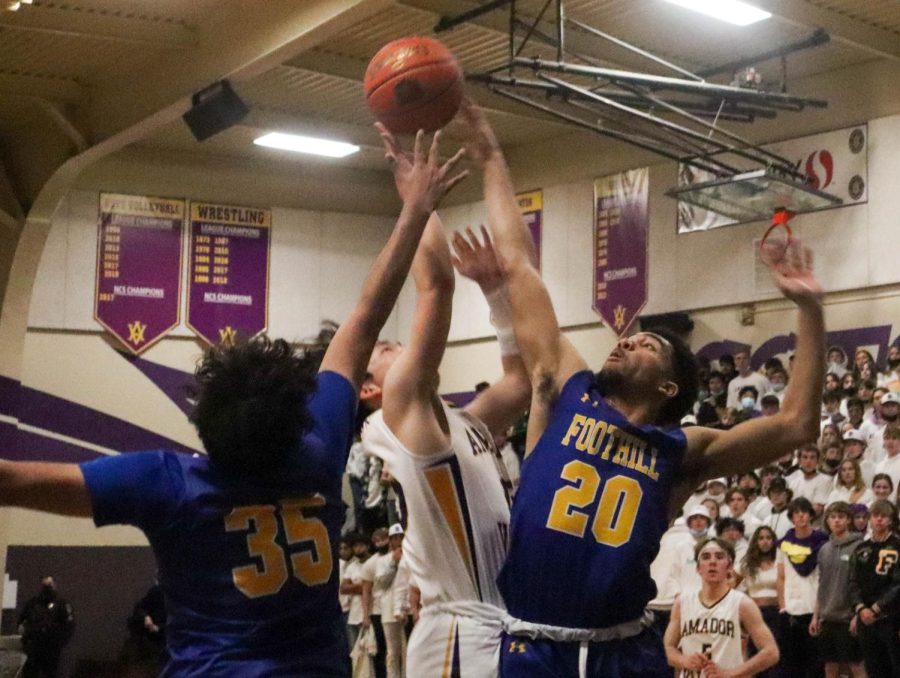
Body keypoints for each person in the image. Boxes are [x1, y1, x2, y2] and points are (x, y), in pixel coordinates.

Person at [0, 128, 467, 677]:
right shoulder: (317, 455)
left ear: (206, 419)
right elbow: (365, 318)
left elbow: (10, 480)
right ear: (297, 416)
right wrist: (415, 208)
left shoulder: (168, 485)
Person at [461, 99, 825, 676]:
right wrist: (491, 157)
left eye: (647, 344)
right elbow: (518, 266)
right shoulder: (564, 390)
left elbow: (798, 423)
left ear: (669, 386)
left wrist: (809, 309)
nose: (628, 340)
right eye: (631, 336)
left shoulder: (682, 451)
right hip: (533, 646)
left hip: (623, 650)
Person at [362, 125, 530, 676]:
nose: (395, 347)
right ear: (369, 390)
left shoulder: (459, 424)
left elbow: (520, 380)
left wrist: (497, 295)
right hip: (459, 632)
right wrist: (416, 201)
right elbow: (435, 283)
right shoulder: (403, 412)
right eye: (383, 350)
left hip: (494, 621)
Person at [664, 538, 778, 678]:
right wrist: (684, 660)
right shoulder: (682, 602)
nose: (712, 561)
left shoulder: (742, 603)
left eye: (719, 557)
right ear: (698, 568)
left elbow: (771, 652)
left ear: (729, 567)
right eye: (706, 557)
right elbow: (668, 648)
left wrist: (731, 674)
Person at [809, 502, 865, 678]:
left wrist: (858, 615)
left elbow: (863, 584)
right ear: (827, 520)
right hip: (827, 618)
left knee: (856, 666)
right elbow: (822, 584)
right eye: (833, 517)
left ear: (848, 520)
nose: (836, 521)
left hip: (849, 618)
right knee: (830, 667)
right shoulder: (824, 549)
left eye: (841, 517)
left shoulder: (859, 546)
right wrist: (816, 616)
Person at [848, 498, 900, 678]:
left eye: (884, 516)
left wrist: (877, 608)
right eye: (876, 515)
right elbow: (852, 582)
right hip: (865, 619)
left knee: (894, 667)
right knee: (873, 667)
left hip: (890, 618)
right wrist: (861, 608)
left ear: (891, 520)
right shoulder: (861, 548)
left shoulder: (897, 546)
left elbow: (898, 585)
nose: (879, 520)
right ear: (870, 519)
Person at [776, 497, 827, 678]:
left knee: (815, 664)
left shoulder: (822, 541)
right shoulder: (784, 543)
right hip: (790, 609)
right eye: (796, 513)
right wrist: (783, 607)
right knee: (791, 664)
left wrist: (818, 612)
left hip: (813, 607)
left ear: (811, 515)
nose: (801, 516)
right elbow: (781, 577)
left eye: (804, 512)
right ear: (791, 517)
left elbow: (824, 579)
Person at [735, 526, 780, 678]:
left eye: (768, 538)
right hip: (754, 615)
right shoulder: (748, 564)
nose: (765, 542)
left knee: (775, 656)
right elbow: (729, 583)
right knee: (755, 657)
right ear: (755, 542)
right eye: (761, 538)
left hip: (777, 614)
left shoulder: (780, 560)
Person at [17, 576, 74, 678]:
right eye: (45, 585)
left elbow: (68, 626)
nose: (47, 589)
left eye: (49, 585)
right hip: (33, 648)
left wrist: (59, 642)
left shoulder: (62, 605)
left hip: (51, 649)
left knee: (50, 674)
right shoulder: (32, 604)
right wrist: (25, 639)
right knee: (30, 673)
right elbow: (22, 622)